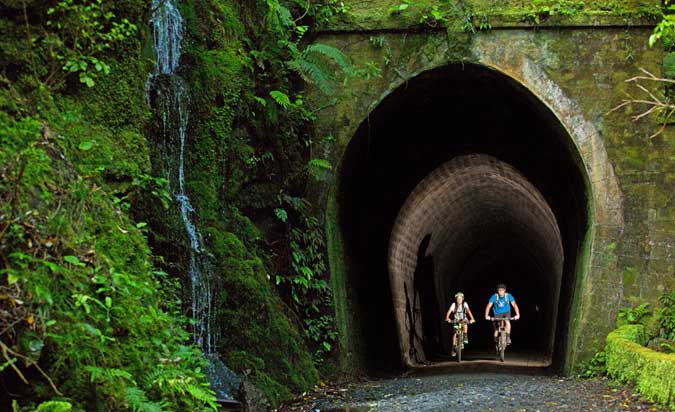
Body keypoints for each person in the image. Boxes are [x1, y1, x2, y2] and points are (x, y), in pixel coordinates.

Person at [444, 292, 475, 357]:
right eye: (458, 299)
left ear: (463, 299)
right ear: (456, 299)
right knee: (455, 332)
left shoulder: (465, 304)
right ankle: (454, 347)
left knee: (465, 324)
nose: (459, 300)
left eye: (460, 298)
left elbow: (468, 311)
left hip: (463, 319)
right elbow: (449, 311)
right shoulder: (453, 304)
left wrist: (472, 319)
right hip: (456, 320)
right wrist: (447, 318)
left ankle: (465, 336)